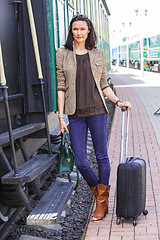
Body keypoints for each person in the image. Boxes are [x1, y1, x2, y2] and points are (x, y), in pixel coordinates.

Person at [56, 14, 131, 222]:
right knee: (81, 161)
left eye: (82, 29)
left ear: (89, 30)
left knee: (101, 157)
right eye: (75, 29)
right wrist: (61, 117)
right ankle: (101, 195)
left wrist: (117, 101)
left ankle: (101, 203)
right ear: (71, 31)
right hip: (75, 115)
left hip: (98, 111)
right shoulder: (62, 53)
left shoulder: (98, 53)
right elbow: (61, 86)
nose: (78, 33)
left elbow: (104, 84)